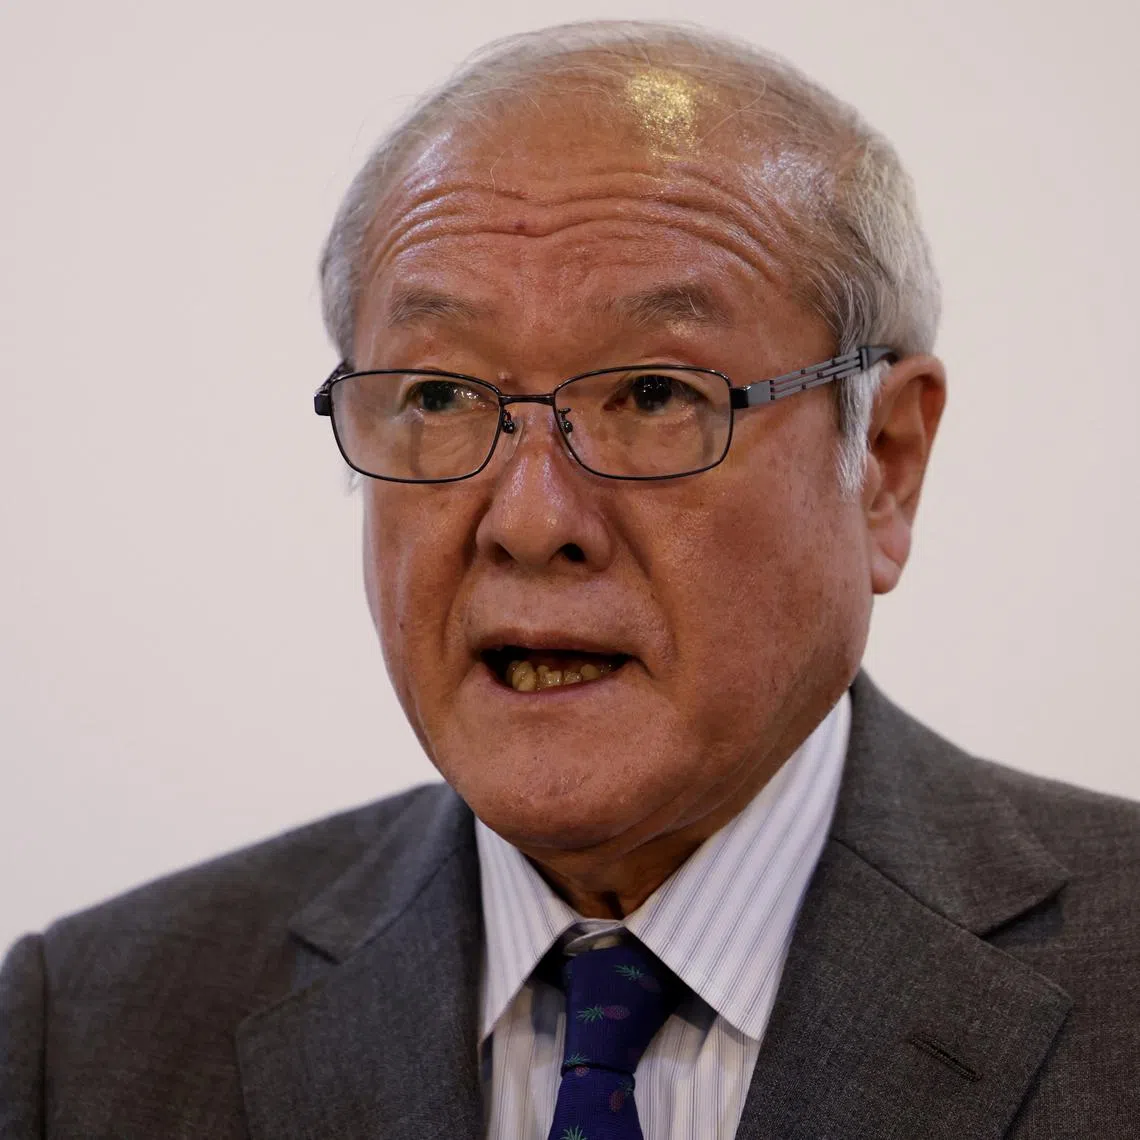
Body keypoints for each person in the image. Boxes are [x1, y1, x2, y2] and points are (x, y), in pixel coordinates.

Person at [2, 20, 1137, 1140]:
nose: (533, 520)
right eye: (439, 398)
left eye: (651, 394)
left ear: (884, 466)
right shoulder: (89, 1033)